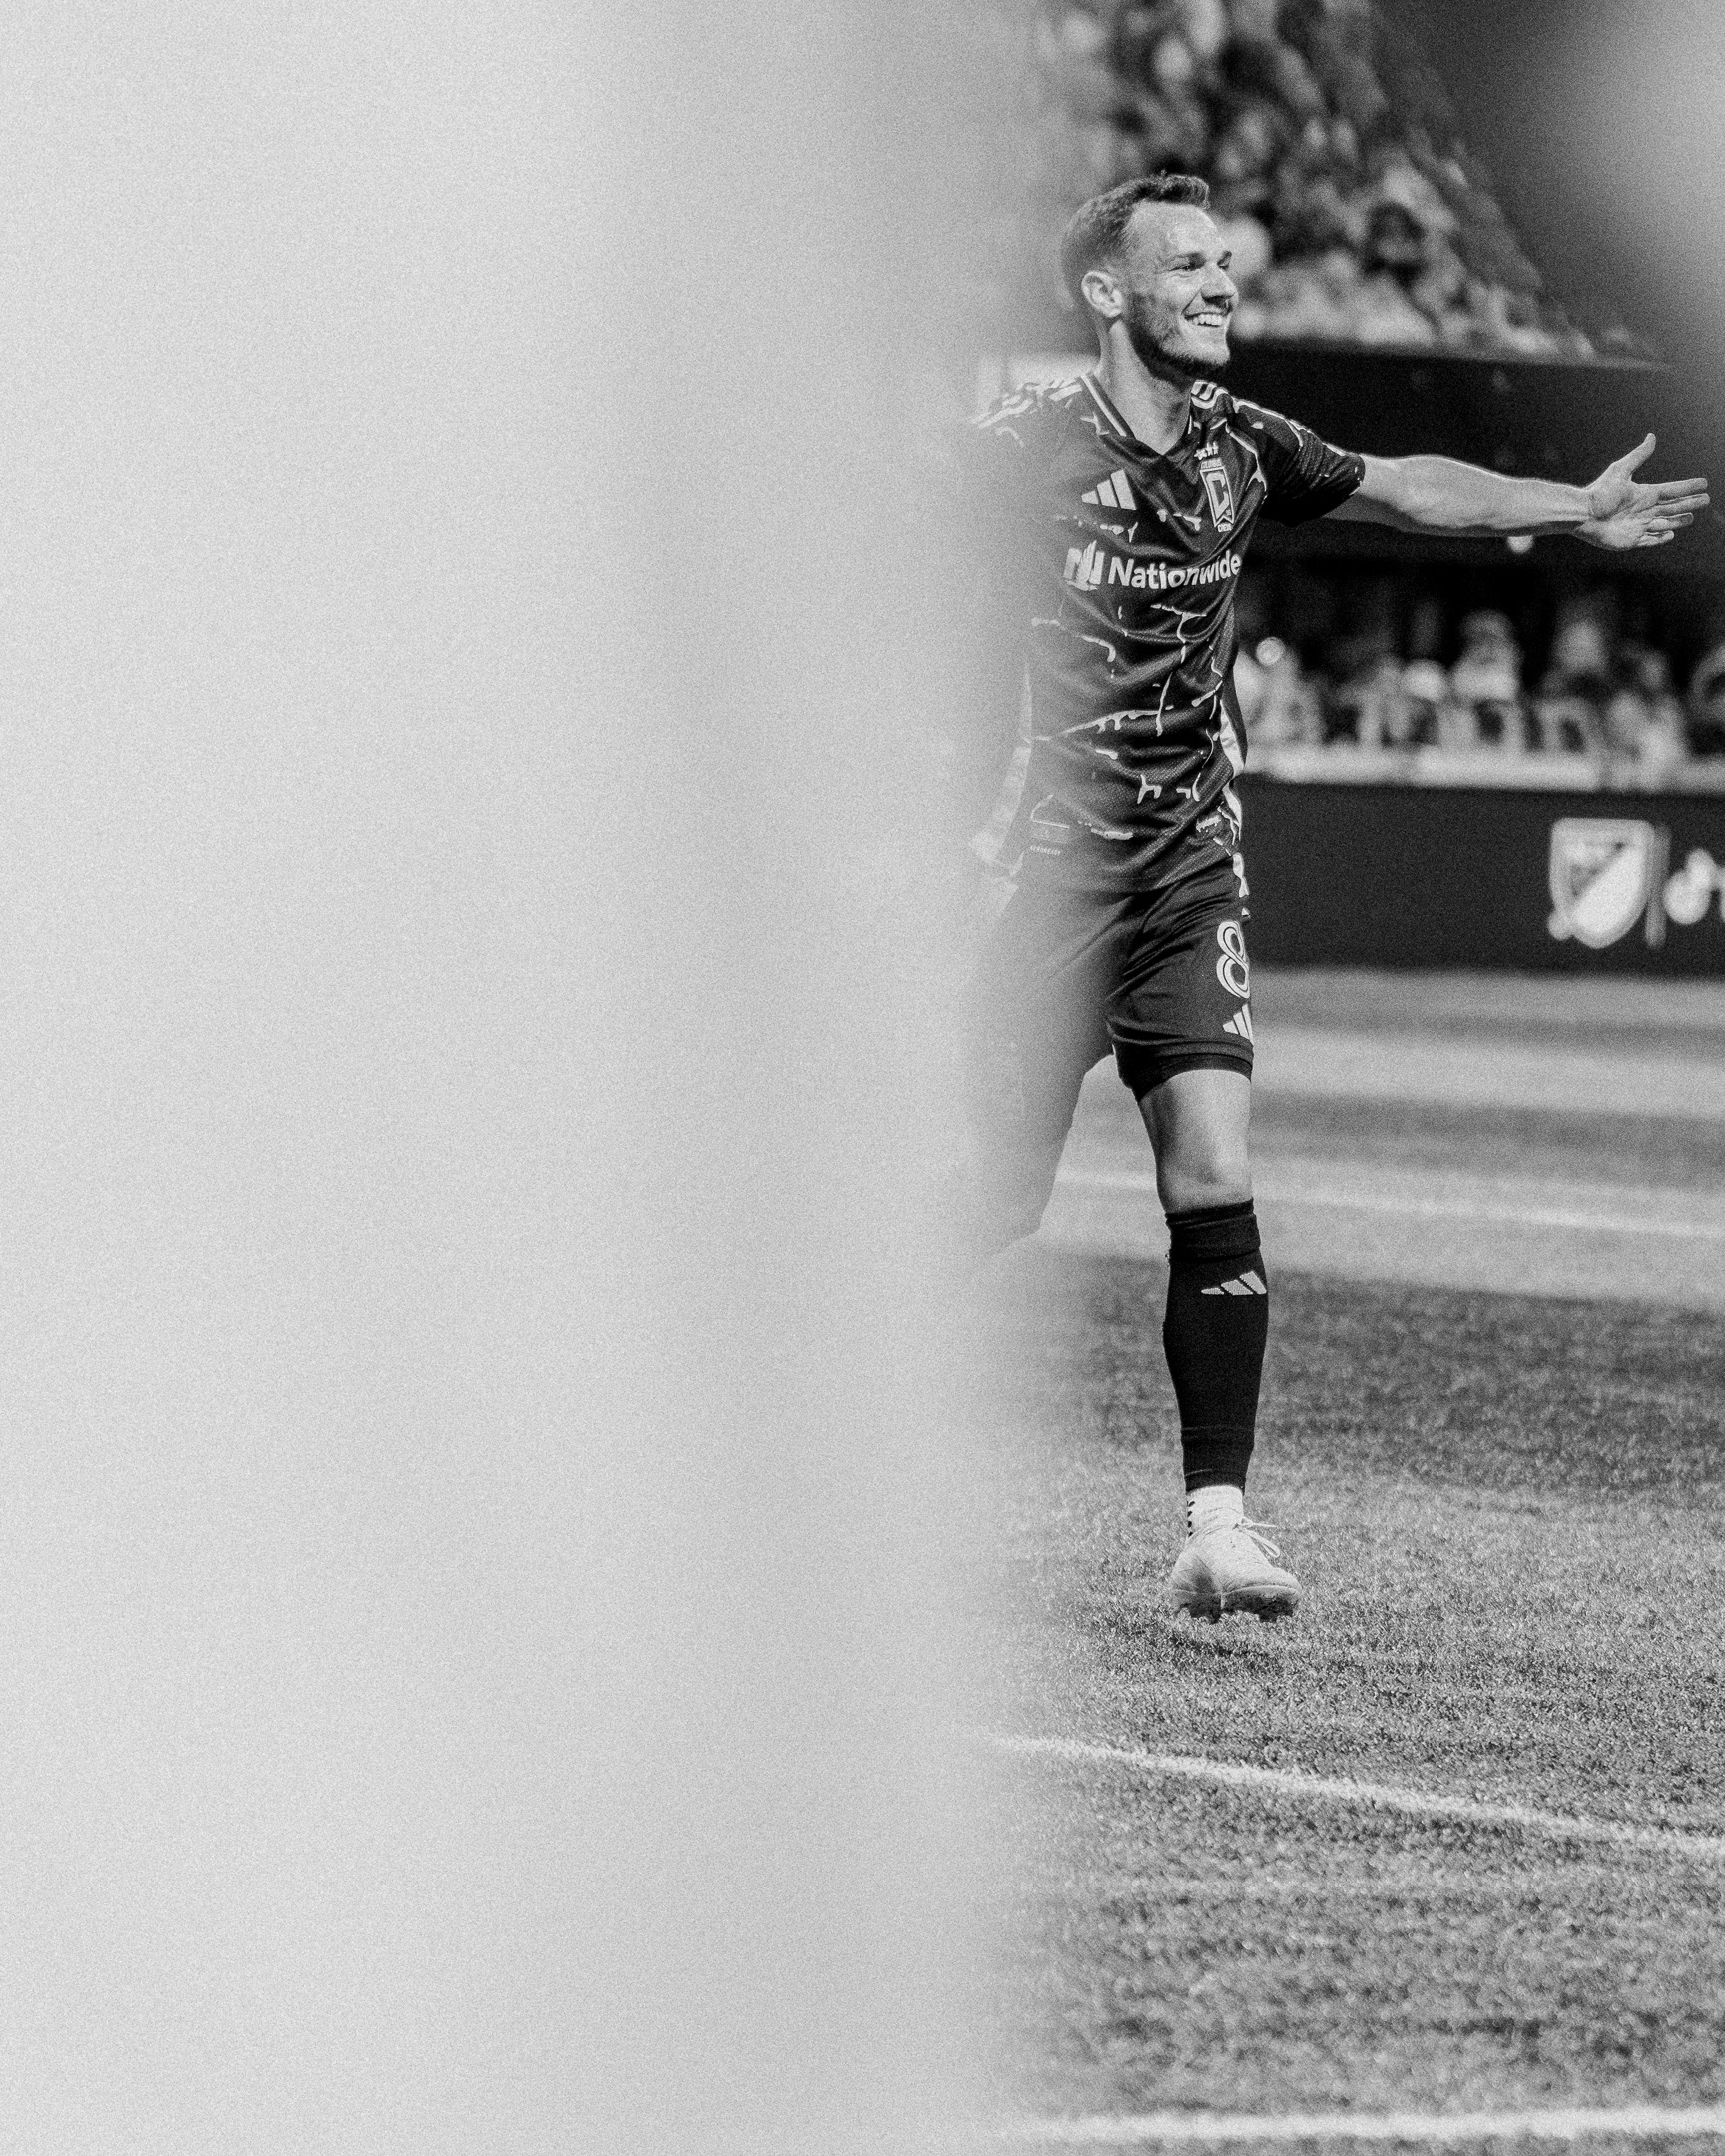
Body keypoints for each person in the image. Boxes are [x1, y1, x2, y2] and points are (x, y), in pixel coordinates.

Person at [952, 171, 1709, 1624]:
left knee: (1213, 1175)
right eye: (1188, 264)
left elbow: (1409, 483)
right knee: (989, 1199)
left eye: (1224, 261)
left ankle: (1217, 1527)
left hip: (1186, 879)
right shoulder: (1022, 450)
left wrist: (1574, 509)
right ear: (1109, 293)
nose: (1221, 283)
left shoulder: (1244, 446)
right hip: (1043, 890)